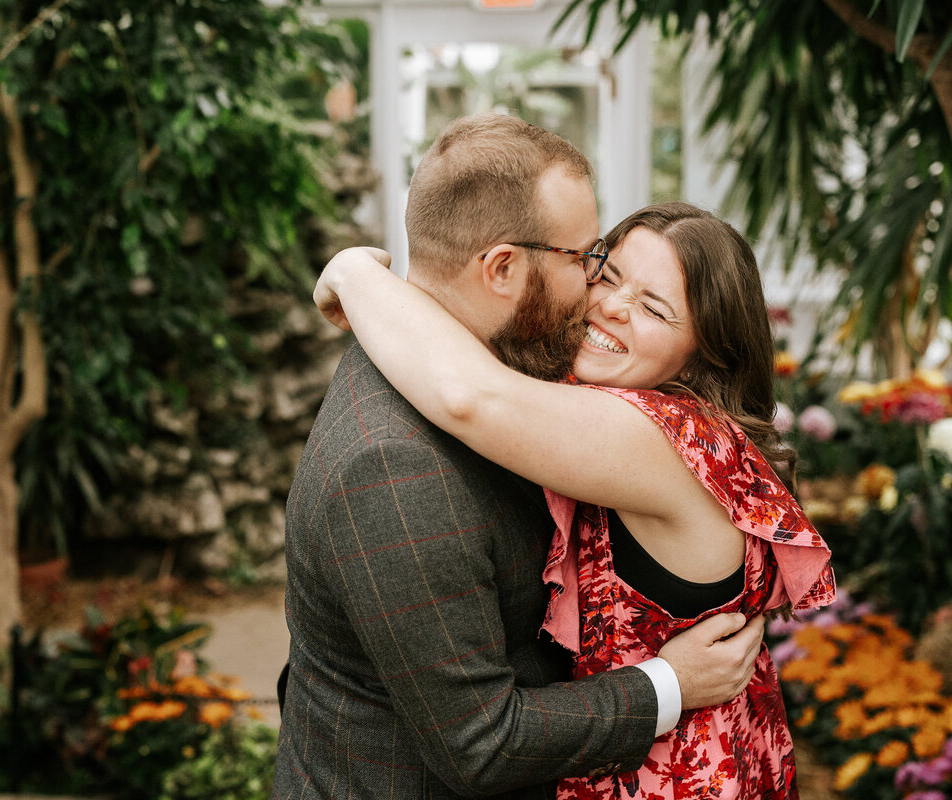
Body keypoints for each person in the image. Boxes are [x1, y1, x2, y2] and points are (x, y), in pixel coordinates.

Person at [271, 114, 767, 800]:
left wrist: (357, 273)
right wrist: (669, 684)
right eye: (590, 260)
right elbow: (481, 741)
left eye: (651, 304)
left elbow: (474, 396)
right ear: (502, 267)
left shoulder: (575, 401)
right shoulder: (397, 464)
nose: (602, 298)